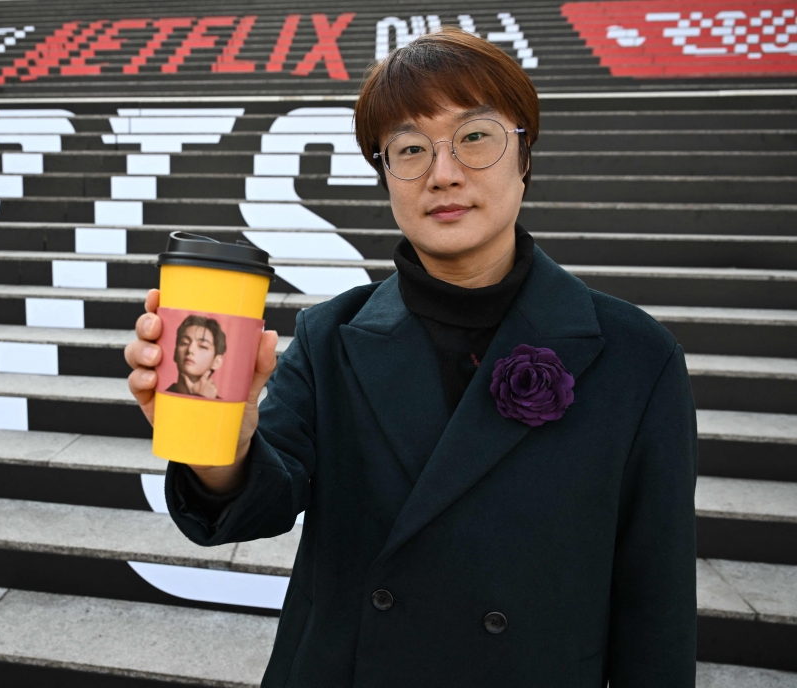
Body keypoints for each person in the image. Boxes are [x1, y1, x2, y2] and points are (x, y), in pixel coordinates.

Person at [126, 27, 697, 687]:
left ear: (524, 154)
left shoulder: (636, 357)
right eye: (410, 149)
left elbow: (656, 606)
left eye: (475, 136)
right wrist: (220, 445)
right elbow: (262, 504)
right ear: (386, 176)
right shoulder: (330, 335)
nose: (443, 173)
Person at [165, 315, 226, 399]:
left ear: (216, 362)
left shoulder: (224, 405)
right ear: (175, 353)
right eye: (185, 343)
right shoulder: (161, 397)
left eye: (203, 346)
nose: (190, 349)